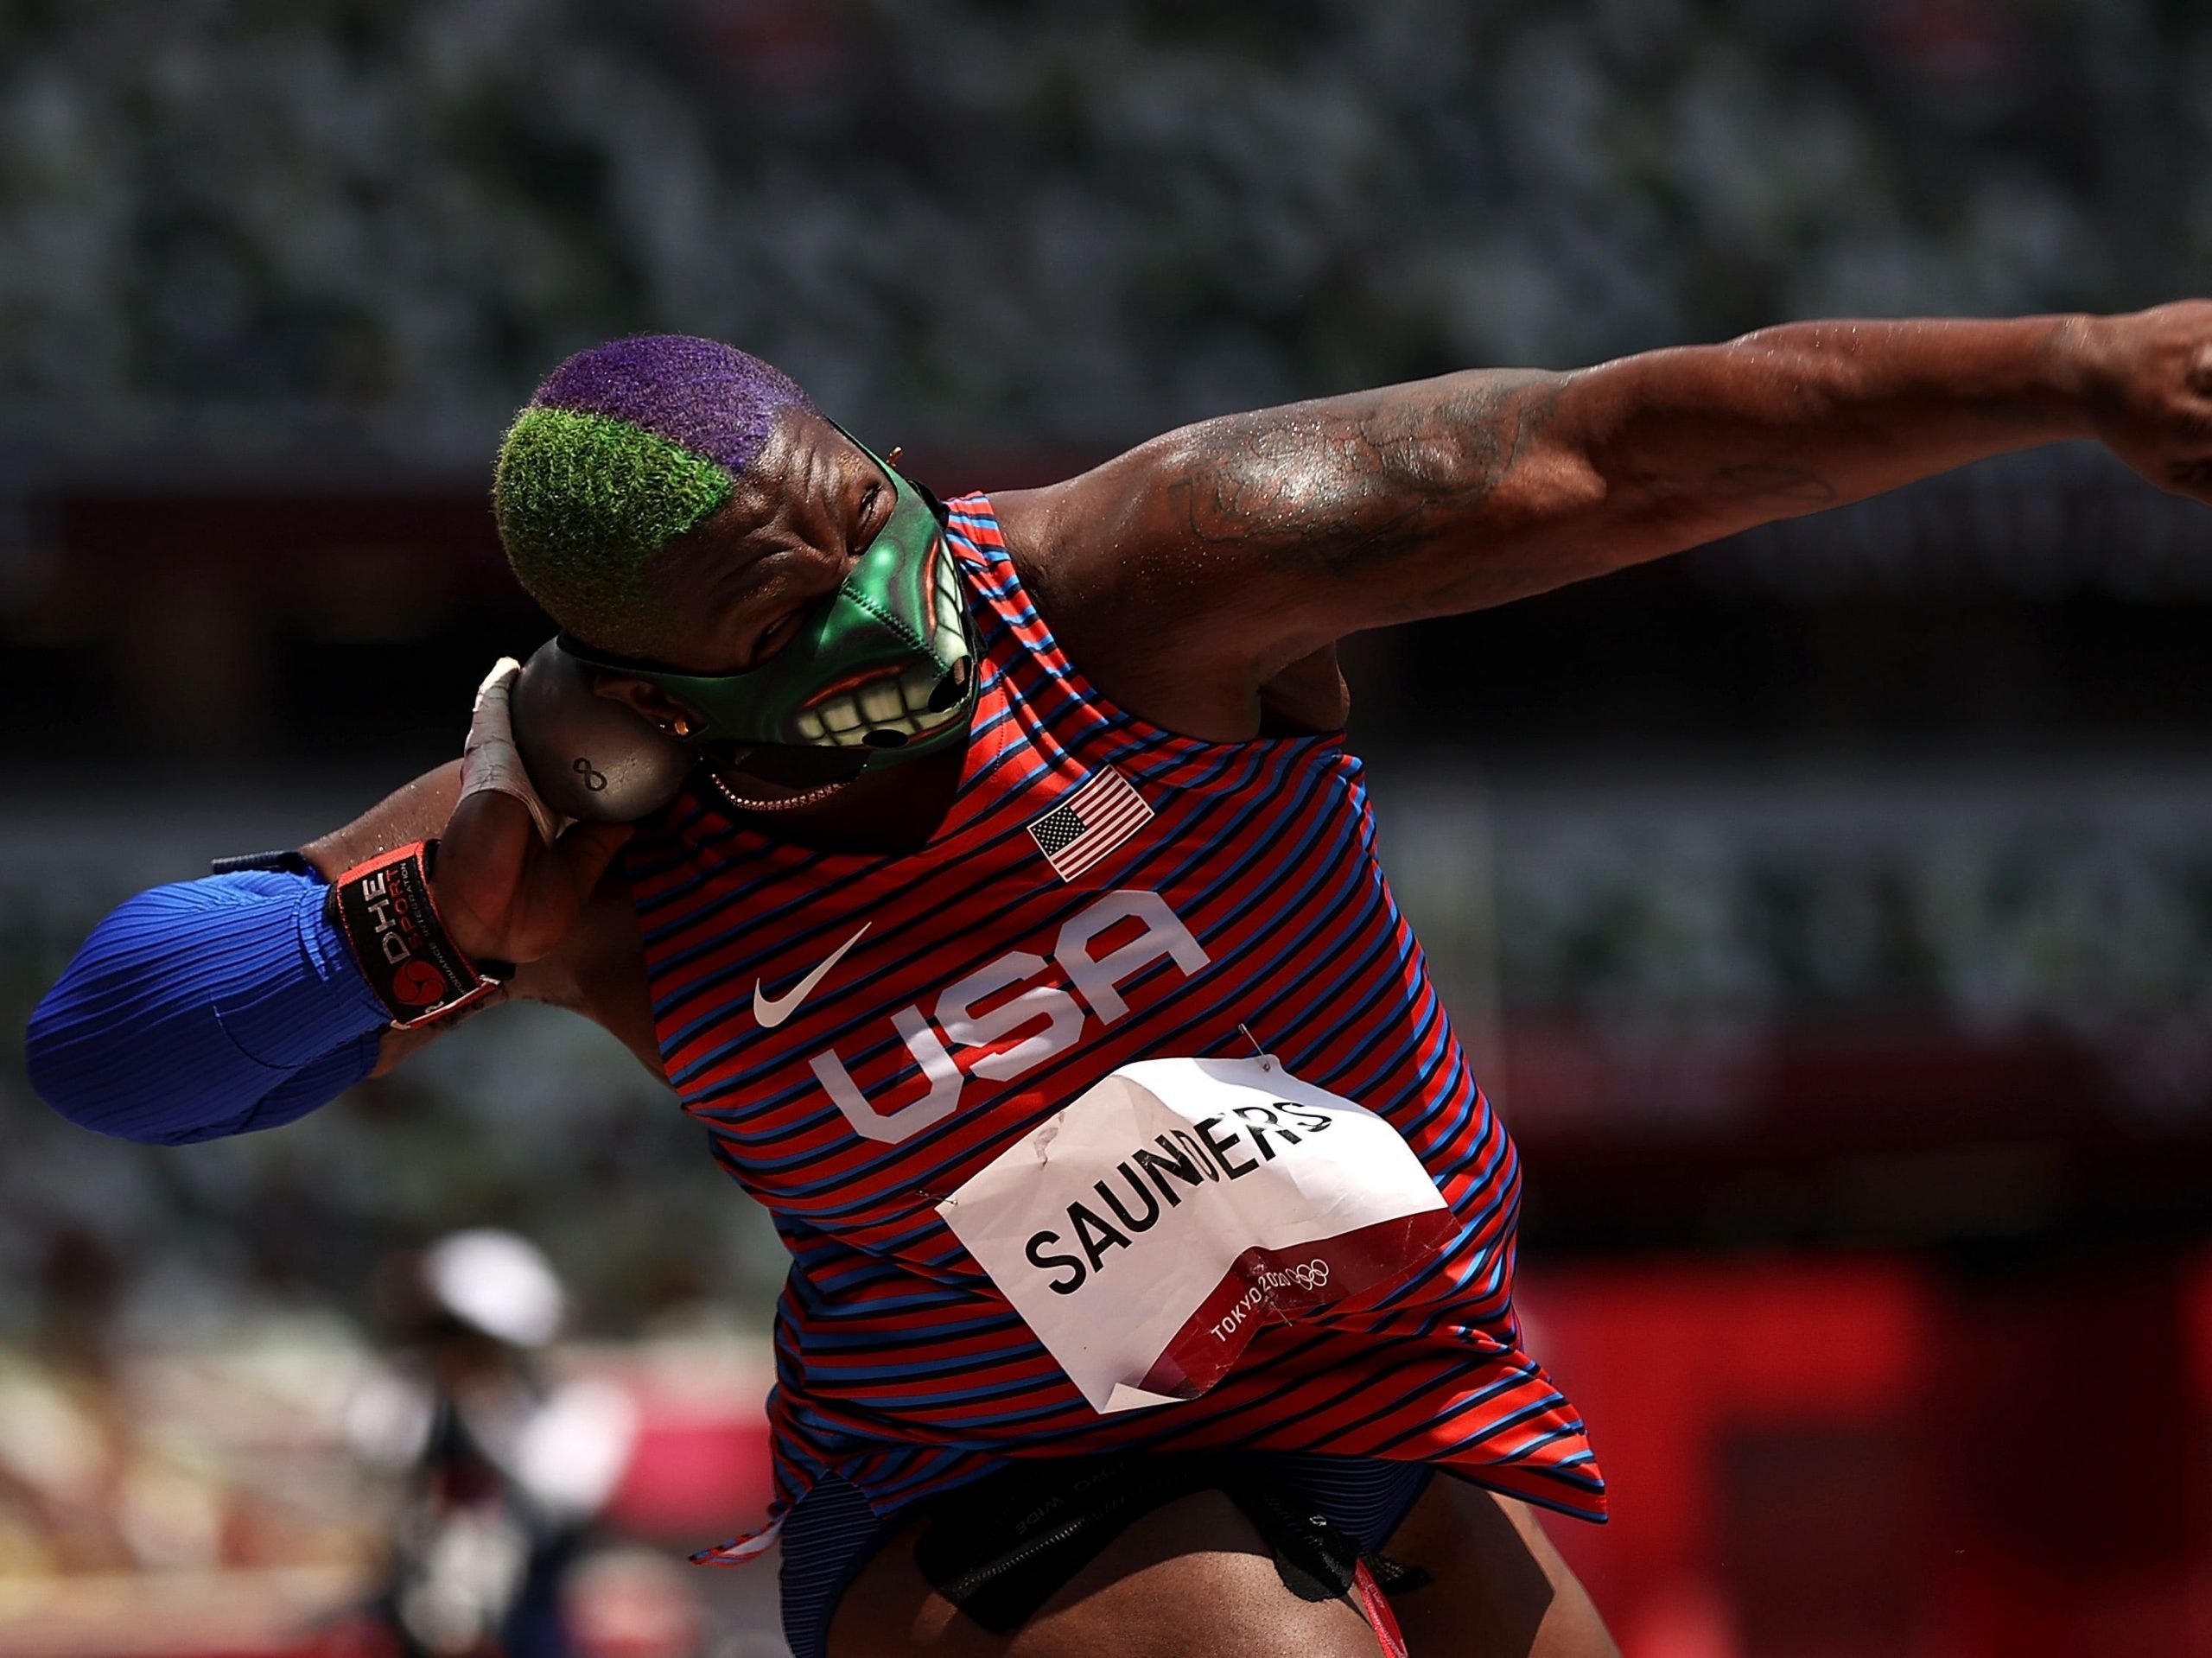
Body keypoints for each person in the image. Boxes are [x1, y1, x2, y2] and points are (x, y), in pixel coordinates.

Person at [29, 308, 2212, 1658]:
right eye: (785, 619)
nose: (885, 615)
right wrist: (397, 937)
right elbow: (107, 1053)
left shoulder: (1141, 582)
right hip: (984, 1483)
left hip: (1388, 1402)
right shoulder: (588, 848)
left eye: (862, 520)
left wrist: (2077, 372)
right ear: (638, 694)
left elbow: (1604, 450)